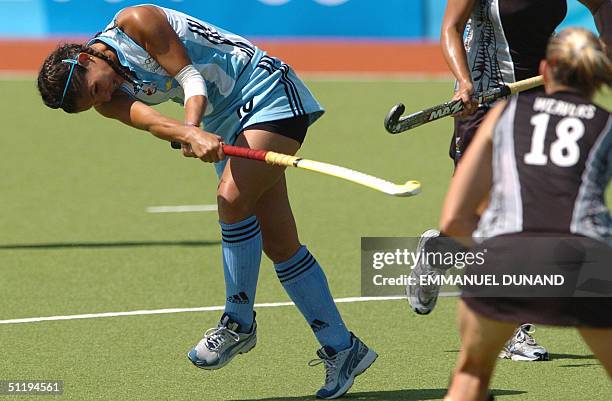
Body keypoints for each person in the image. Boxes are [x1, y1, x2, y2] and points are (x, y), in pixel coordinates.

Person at [36, 4, 377, 399]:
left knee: (230, 198)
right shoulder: (107, 102)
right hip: (225, 124)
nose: (106, 95)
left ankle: (237, 322)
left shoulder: (136, 21)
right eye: (95, 101)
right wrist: (187, 132)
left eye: (97, 88)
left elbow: (190, 78)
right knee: (280, 243)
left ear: (84, 57)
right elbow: (153, 122)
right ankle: (343, 348)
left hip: (263, 90)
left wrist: (192, 129)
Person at [407, 0, 610, 362]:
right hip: (484, 101)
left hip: (538, 101)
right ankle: (509, 325)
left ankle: (441, 252)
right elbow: (450, 29)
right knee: (491, 218)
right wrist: (464, 83)